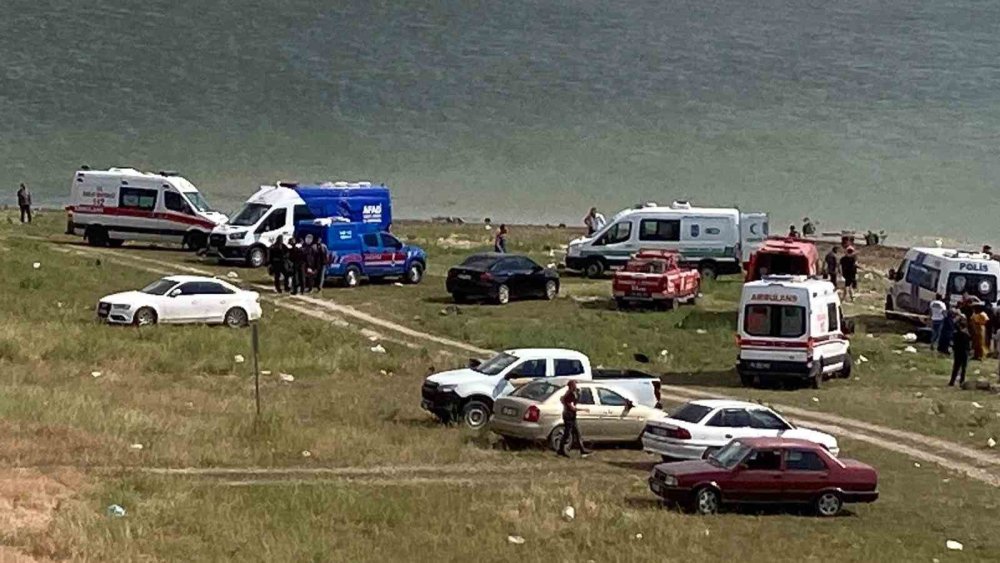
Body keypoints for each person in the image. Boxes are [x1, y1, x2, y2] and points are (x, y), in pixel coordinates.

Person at [557, 380, 590, 458]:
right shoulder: (569, 395)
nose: (576, 386)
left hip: (572, 416)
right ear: (571, 386)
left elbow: (562, 399)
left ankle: (582, 450)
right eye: (574, 385)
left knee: (577, 433)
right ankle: (561, 450)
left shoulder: (573, 393)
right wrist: (583, 410)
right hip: (568, 416)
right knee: (567, 434)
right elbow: (572, 407)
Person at [950, 318, 971, 386]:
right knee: (963, 368)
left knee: (956, 367)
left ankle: (952, 381)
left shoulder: (955, 334)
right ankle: (962, 381)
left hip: (957, 352)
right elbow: (968, 344)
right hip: (964, 352)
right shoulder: (966, 335)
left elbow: (953, 343)